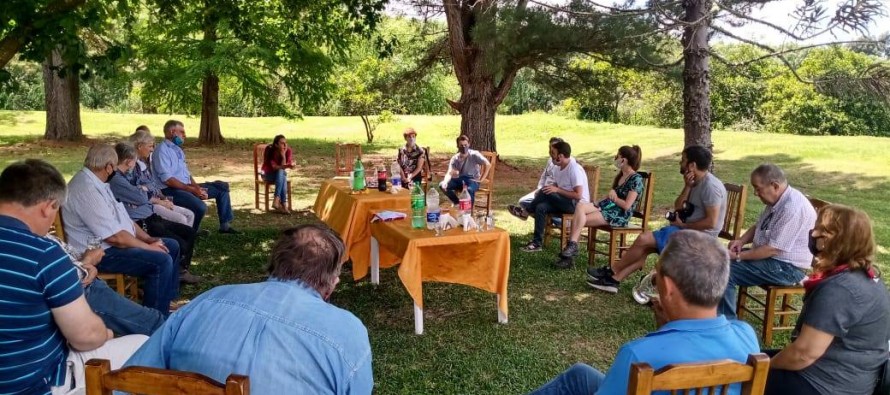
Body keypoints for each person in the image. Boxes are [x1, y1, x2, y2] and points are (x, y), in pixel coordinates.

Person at [125, 224, 374, 394]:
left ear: (274, 262)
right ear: (332, 283)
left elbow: (129, 380)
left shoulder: (207, 301)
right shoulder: (347, 332)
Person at [529, 230, 759, 395]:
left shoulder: (638, 356)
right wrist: (665, 329)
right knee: (581, 375)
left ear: (667, 288)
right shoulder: (746, 337)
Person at [0, 159, 147, 395]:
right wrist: (107, 333)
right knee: (143, 345)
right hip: (34, 384)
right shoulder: (43, 254)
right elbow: (85, 337)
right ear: (49, 207)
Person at [764, 205, 890, 395]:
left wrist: (763, 368)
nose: (814, 234)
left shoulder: (840, 289)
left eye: (823, 231)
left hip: (825, 384)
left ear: (842, 241)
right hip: (851, 378)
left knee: (739, 376)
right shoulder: (867, 277)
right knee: (754, 356)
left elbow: (803, 354)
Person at [587, 145, 727, 294]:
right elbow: (678, 206)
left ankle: (611, 271)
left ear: (692, 165)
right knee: (645, 247)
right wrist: (687, 187)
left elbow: (712, 223)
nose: (680, 163)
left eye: (683, 160)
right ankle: (614, 281)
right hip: (684, 229)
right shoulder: (694, 182)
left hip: (700, 238)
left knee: (644, 239)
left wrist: (684, 225)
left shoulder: (711, 187)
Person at [63, 144, 181, 315]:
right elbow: (114, 237)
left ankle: (164, 301)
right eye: (115, 166)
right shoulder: (86, 188)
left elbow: (126, 221)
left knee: (171, 245)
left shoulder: (99, 183)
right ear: (109, 167)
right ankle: (155, 317)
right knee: (161, 260)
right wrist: (149, 248)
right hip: (98, 252)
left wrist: (148, 239)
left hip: (116, 243)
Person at [718, 164, 816, 319]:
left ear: (775, 186)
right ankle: (710, 313)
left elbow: (772, 249)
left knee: (724, 271)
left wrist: (738, 256)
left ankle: (727, 323)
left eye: (758, 188)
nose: (756, 194)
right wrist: (741, 241)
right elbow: (759, 225)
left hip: (787, 268)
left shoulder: (792, 208)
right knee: (715, 259)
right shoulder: (777, 201)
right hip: (772, 259)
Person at [109, 142, 202, 284]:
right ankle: (172, 273)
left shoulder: (125, 176)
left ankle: (181, 270)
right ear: (128, 162)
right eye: (134, 161)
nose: (135, 165)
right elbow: (141, 196)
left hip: (151, 216)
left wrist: (142, 191)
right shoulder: (117, 179)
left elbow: (148, 189)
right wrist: (142, 191)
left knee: (189, 232)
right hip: (143, 223)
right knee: (179, 244)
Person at [45, 233, 166, 336]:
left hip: (85, 285)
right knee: (153, 322)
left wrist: (85, 264)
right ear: (45, 209)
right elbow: (68, 279)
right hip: (80, 293)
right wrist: (87, 262)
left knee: (152, 319)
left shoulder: (41, 237)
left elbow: (72, 260)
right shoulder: (36, 244)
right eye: (52, 206)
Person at [556, 145, 643, 268]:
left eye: (616, 156)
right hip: (608, 206)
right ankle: (572, 248)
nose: (615, 159)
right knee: (580, 207)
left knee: (580, 220)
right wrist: (602, 201)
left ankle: (569, 256)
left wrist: (614, 197)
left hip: (619, 214)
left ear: (623, 160)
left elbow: (627, 206)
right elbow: (611, 197)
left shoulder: (636, 179)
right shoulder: (620, 175)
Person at [152, 119, 241, 234]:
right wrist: (192, 190)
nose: (185, 135)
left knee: (221, 187)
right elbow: (168, 180)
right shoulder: (161, 150)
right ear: (172, 132)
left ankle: (225, 226)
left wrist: (196, 188)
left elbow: (187, 174)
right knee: (200, 207)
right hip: (170, 191)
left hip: (185, 187)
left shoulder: (178, 150)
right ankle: (192, 232)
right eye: (182, 132)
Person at [520, 141, 590, 254]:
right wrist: (552, 188)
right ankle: (537, 243)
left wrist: (555, 190)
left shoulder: (574, 169)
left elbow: (578, 195)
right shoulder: (558, 168)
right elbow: (557, 185)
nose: (550, 155)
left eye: (553, 153)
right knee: (541, 207)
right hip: (563, 201)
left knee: (545, 191)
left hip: (576, 206)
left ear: (560, 156)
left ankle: (527, 210)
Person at [129, 127, 196, 228]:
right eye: (150, 146)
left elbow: (152, 185)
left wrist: (164, 198)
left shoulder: (142, 163)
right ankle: (180, 240)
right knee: (181, 219)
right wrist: (160, 202)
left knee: (189, 214)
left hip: (157, 199)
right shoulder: (131, 167)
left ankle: (188, 239)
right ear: (139, 146)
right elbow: (139, 193)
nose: (152, 150)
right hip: (148, 205)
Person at [507, 137, 563, 221]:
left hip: (552, 194)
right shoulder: (550, 161)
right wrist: (540, 188)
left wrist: (544, 191)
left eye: (553, 149)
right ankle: (547, 219)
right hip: (542, 191)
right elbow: (543, 176)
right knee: (523, 201)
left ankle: (557, 222)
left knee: (538, 206)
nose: (551, 151)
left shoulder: (563, 163)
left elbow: (560, 184)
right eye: (550, 148)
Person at [439, 135, 491, 207]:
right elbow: (449, 172)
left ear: (469, 144)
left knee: (469, 190)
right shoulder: (455, 158)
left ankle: (469, 212)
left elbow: (488, 164)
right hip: (460, 180)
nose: (464, 147)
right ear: (457, 146)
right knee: (442, 185)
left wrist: (482, 179)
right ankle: (457, 203)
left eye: (465, 145)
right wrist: (445, 181)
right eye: (461, 145)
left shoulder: (474, 154)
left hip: (472, 180)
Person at [262, 134, 294, 214]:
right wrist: (284, 159)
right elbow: (275, 167)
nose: (285, 145)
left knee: (281, 173)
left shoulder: (288, 150)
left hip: (280, 175)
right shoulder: (269, 150)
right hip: (267, 174)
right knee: (281, 173)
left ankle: (277, 200)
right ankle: (283, 204)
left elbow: (283, 168)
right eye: (282, 143)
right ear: (276, 144)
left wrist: (284, 156)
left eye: (285, 143)